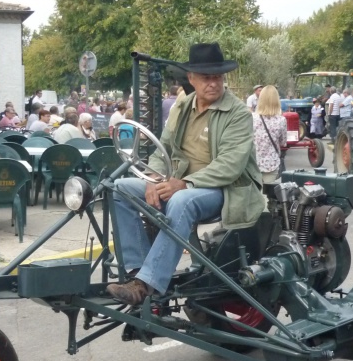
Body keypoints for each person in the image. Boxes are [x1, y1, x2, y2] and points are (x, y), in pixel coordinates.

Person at [106, 42, 264, 305]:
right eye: (206, 78)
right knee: (120, 188)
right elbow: (163, 147)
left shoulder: (237, 113)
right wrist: (152, 179)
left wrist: (185, 183)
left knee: (181, 200)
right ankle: (137, 270)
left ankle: (148, 284)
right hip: (181, 183)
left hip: (228, 190)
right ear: (191, 78)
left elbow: (230, 165)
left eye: (218, 77)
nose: (213, 83)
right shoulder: (183, 106)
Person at [252, 86, 288, 183]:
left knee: (255, 195)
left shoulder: (251, 118)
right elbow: (283, 142)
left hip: (252, 164)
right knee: (267, 195)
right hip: (271, 164)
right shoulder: (281, 120)